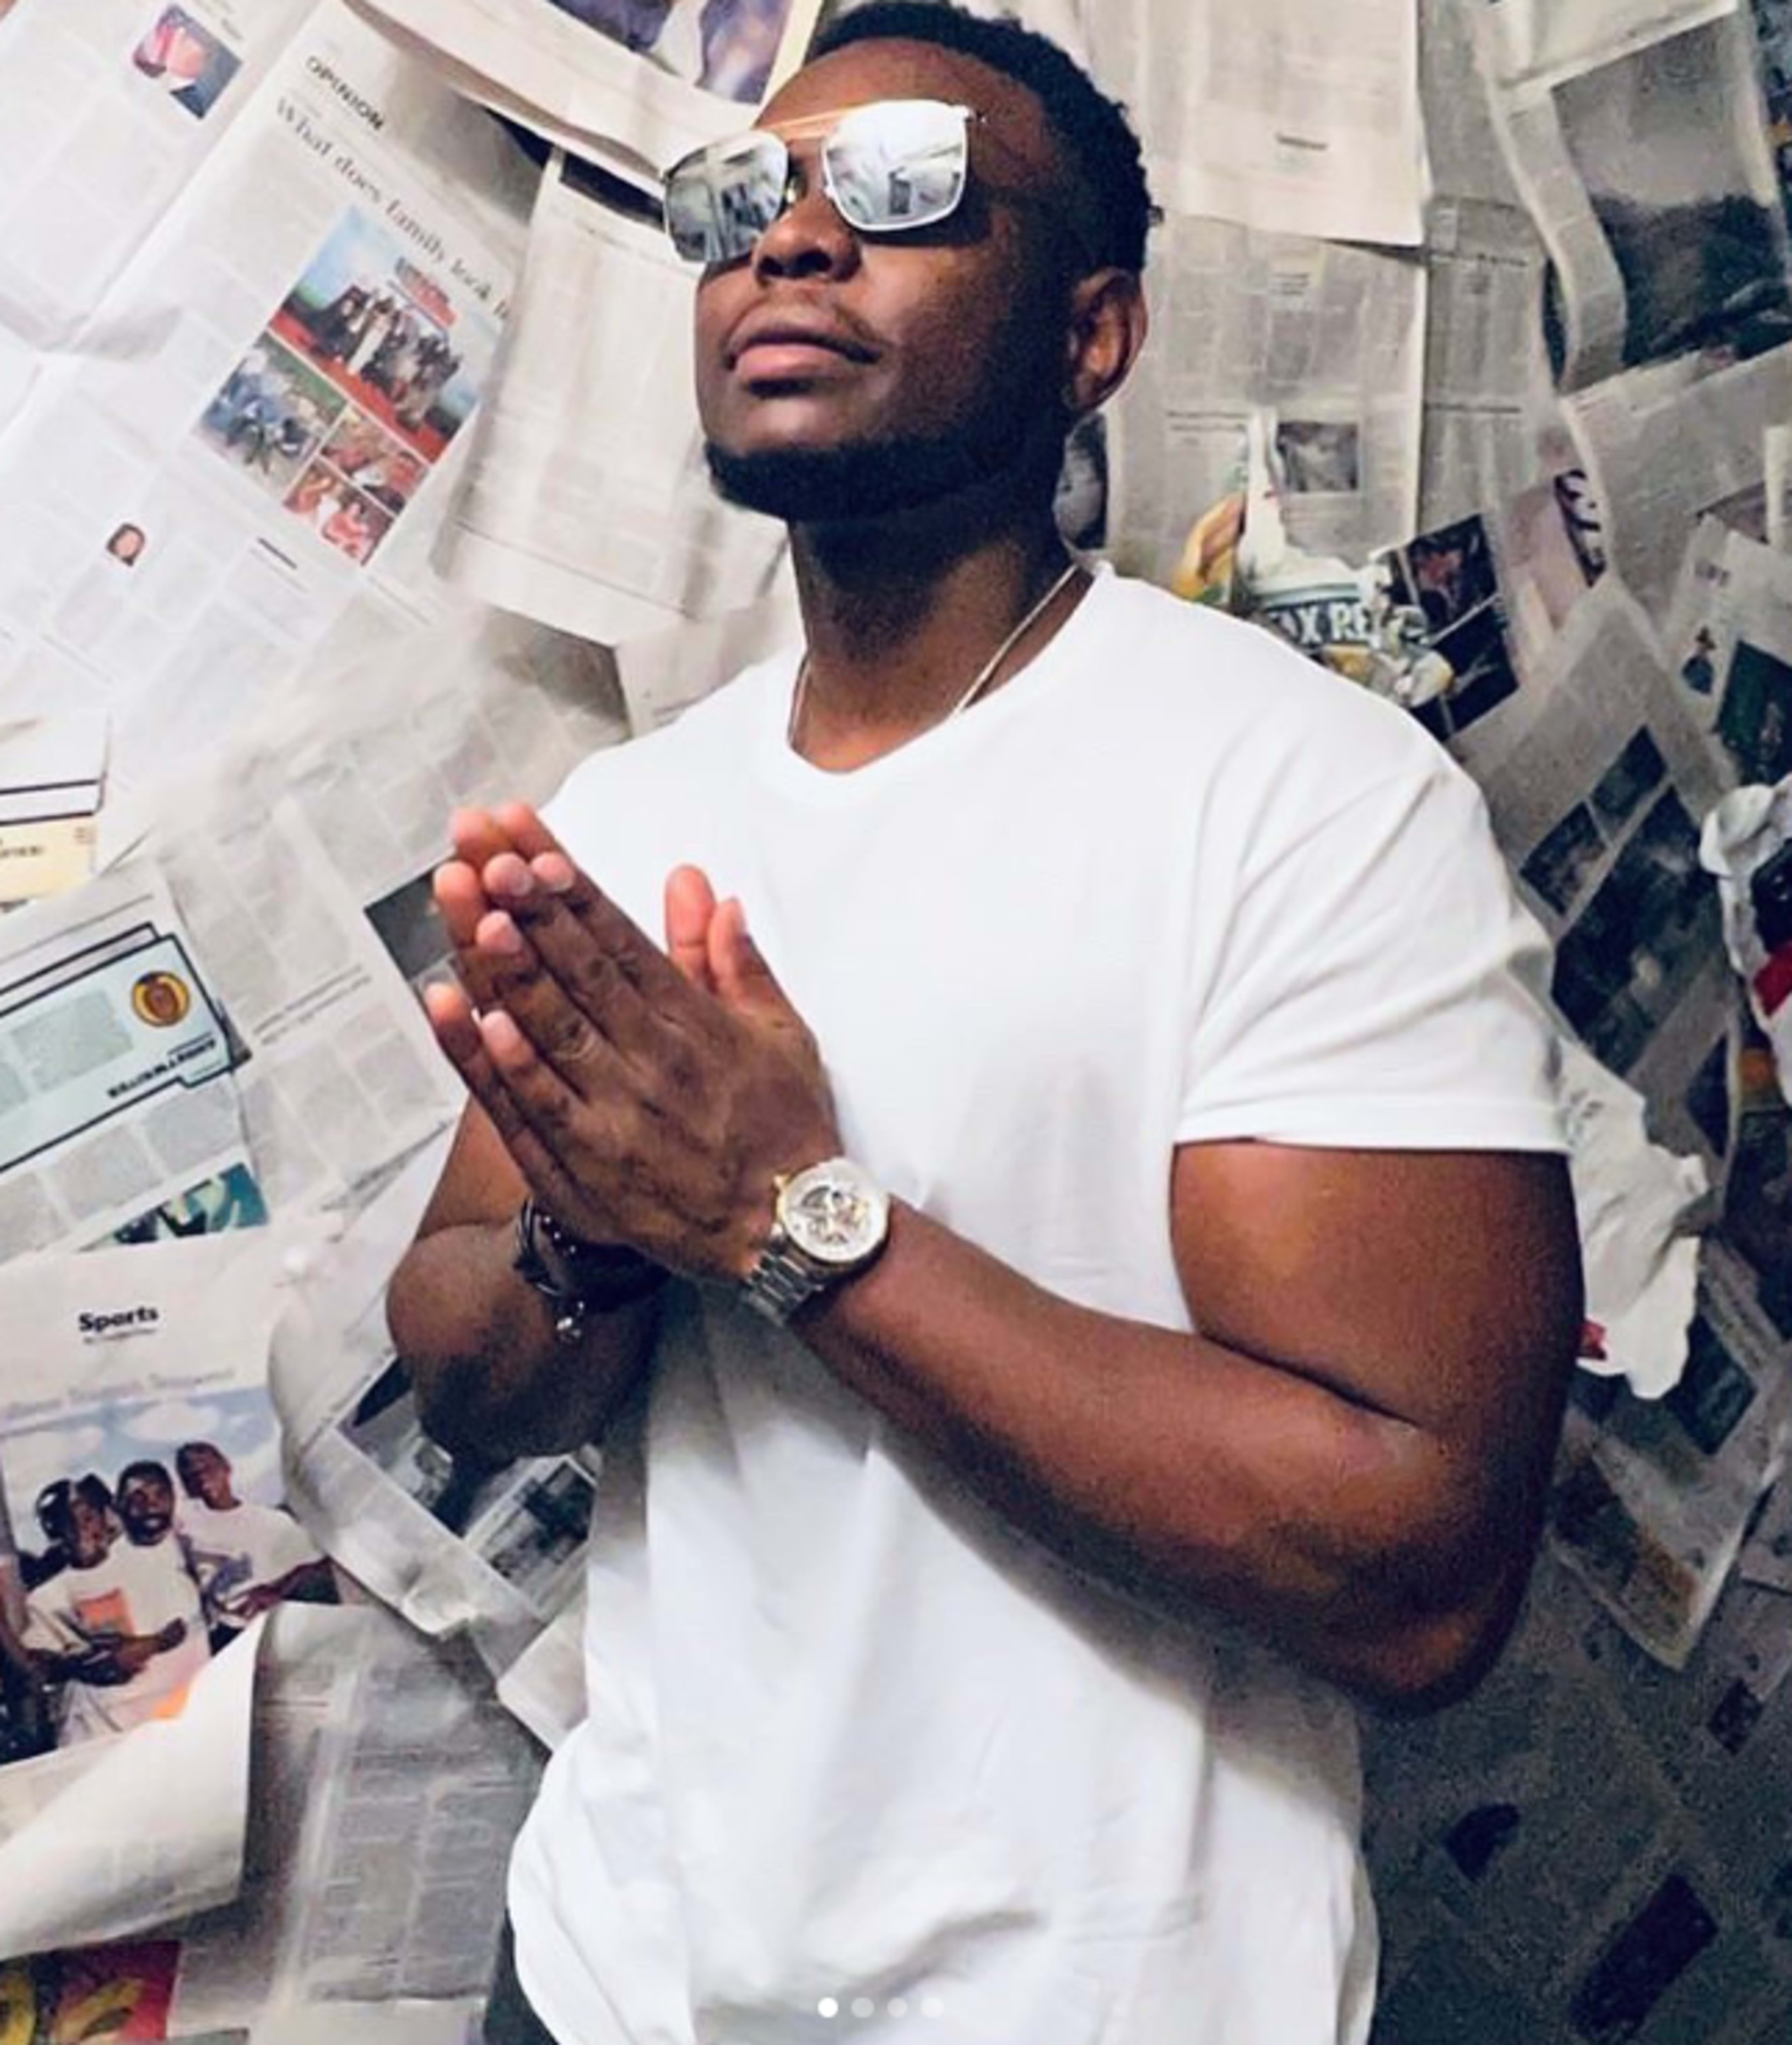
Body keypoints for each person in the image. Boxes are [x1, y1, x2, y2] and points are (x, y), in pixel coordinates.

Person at [385, 8, 1583, 2042]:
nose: (793, 244)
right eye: (747, 199)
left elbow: (1419, 1575)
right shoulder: (633, 815)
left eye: (907, 193)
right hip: (609, 1979)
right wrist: (602, 1228)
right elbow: (471, 1373)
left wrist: (784, 1212)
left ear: (1091, 336)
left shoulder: (1299, 798)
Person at [21, 1464, 208, 1744]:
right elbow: (39, 1663)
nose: (83, 1529)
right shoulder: (46, 1598)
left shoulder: (152, 1559)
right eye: (69, 1522)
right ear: (55, 1532)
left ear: (104, 1517)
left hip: (167, 1722)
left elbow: (179, 1630)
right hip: (96, 1733)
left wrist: (148, 1645)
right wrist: (82, 1665)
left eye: (88, 1517)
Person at [174, 1442, 336, 1651]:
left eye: (207, 1468)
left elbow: (319, 1562)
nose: (201, 1478)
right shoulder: (184, 1520)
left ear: (226, 1468)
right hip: (220, 1632)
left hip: (270, 1628)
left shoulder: (270, 1522)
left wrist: (277, 1590)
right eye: (191, 1475)